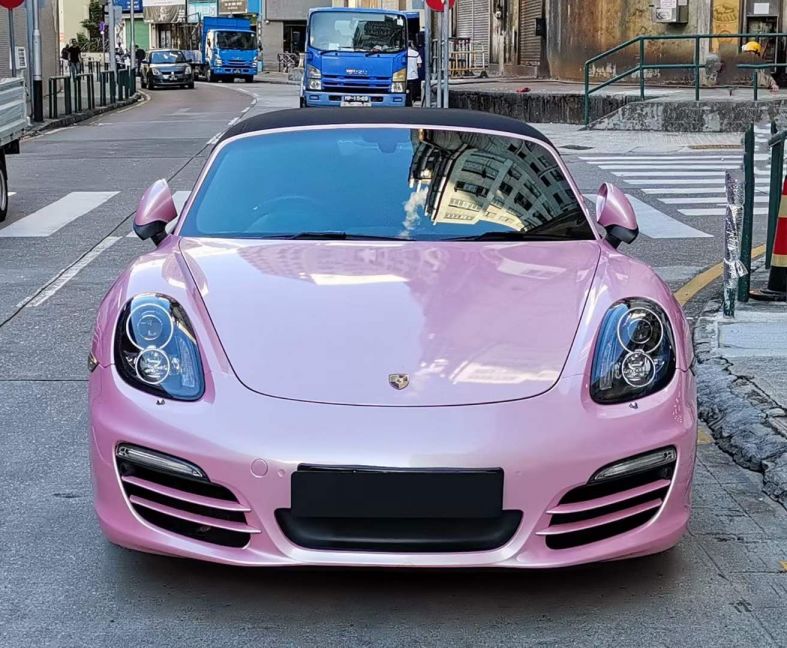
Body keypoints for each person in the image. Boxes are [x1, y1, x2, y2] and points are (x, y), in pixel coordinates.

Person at [406, 40, 422, 106]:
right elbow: (419, 65)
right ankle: (412, 100)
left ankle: (406, 100)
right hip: (413, 75)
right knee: (413, 89)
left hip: (404, 75)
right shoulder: (416, 53)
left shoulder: (403, 53)